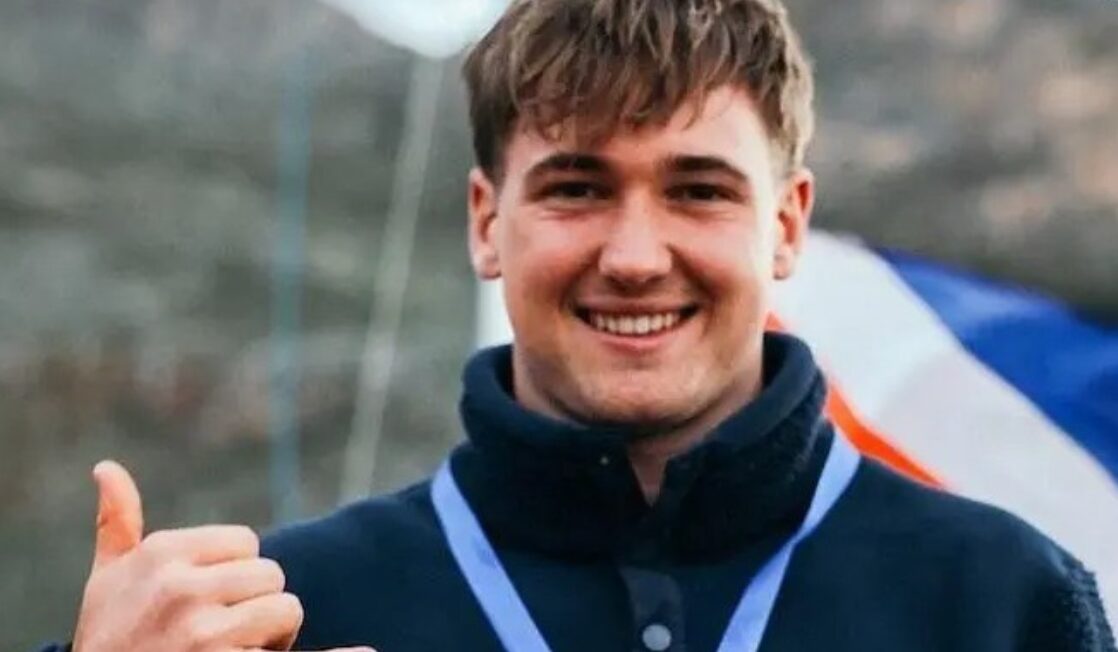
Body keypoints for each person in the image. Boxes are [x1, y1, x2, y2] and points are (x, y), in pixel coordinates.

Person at [39, 0, 1116, 650]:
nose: (635, 255)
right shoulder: (284, 614)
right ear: (485, 222)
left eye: (697, 189)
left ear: (785, 226)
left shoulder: (1005, 601)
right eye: (576, 188)